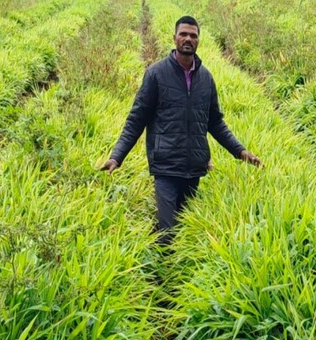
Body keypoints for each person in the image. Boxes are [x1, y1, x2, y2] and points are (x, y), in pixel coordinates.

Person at [101, 15, 261, 244]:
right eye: (183, 34)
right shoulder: (156, 74)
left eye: (193, 35)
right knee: (168, 233)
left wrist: (240, 151)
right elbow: (137, 118)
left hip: (194, 167)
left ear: (198, 41)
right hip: (166, 165)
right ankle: (160, 271)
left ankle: (177, 272)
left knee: (186, 228)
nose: (188, 39)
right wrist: (117, 156)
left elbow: (215, 122)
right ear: (174, 38)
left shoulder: (206, 79)